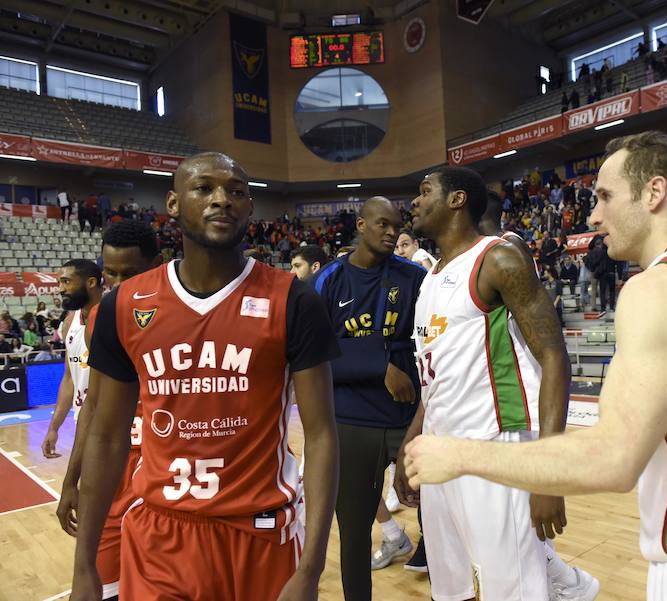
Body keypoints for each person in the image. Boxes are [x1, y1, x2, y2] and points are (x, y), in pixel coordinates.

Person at [405, 131, 667, 601]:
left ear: (654, 193)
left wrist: (457, 456)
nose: (594, 215)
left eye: (606, 197)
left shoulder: (656, 288)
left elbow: (615, 460)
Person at [69, 152, 340, 601]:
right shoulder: (125, 305)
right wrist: (84, 567)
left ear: (250, 208)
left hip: (260, 531)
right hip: (161, 533)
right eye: (204, 189)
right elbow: (106, 435)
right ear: (173, 204)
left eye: (236, 192)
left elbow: (322, 434)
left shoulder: (293, 300)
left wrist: (310, 570)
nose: (222, 200)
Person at [399, 165, 595, 601]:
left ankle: (566, 586)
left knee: (514, 589)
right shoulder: (428, 279)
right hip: (439, 453)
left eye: (424, 190)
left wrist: (549, 472)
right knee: (448, 588)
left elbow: (552, 355)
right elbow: (434, 377)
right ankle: (569, 585)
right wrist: (410, 444)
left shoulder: (498, 259)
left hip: (495, 446)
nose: (414, 201)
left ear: (456, 200)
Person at [311, 197, 428, 597]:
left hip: (408, 420)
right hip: (351, 421)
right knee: (355, 533)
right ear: (361, 225)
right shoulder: (327, 280)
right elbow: (313, 358)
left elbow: (429, 344)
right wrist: (379, 365)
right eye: (382, 224)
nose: (392, 232)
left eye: (397, 225)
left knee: (444, 519)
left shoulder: (414, 277)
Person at [56, 220, 162, 601]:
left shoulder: (185, 311)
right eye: (111, 274)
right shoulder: (101, 319)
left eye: (129, 274)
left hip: (166, 466)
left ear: (158, 264)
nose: (117, 284)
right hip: (115, 466)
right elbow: (93, 405)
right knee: (97, 589)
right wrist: (72, 480)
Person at [41, 259, 103, 460]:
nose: (60, 289)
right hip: (83, 422)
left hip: (115, 424)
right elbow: (69, 379)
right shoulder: (69, 323)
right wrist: (53, 428)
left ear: (91, 283)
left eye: (66, 282)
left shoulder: (115, 315)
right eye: (60, 282)